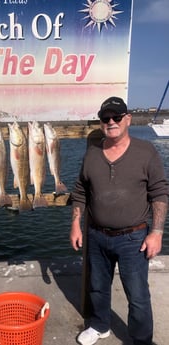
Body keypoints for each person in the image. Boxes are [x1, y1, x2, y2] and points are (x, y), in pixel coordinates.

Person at [70, 96, 169, 345]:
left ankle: (141, 340)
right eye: (106, 118)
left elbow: (159, 193)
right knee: (97, 287)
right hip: (96, 234)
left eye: (116, 117)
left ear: (128, 119)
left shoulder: (146, 152)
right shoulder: (92, 154)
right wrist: (75, 224)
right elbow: (80, 191)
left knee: (137, 295)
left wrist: (156, 232)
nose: (111, 122)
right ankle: (100, 325)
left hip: (133, 238)